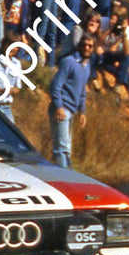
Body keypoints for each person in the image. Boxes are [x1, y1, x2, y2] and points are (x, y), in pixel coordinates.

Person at [49, 34, 94, 168]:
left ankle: (64, 176)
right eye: (84, 45)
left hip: (72, 110)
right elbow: (55, 85)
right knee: (61, 148)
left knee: (67, 148)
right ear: (79, 46)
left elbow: (82, 92)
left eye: (90, 46)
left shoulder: (87, 65)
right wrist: (58, 107)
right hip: (62, 109)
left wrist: (82, 112)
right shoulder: (69, 61)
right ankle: (65, 179)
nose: (86, 48)